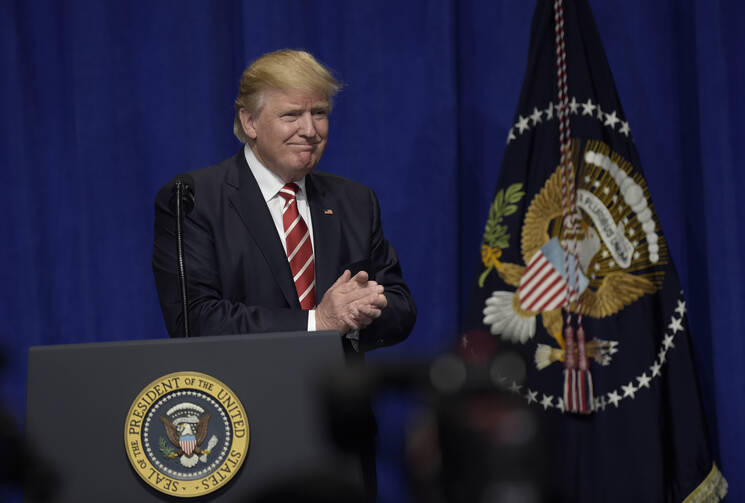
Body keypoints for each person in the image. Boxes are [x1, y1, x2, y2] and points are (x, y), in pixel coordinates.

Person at [152, 49, 417, 497]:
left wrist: (368, 309)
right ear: (250, 122)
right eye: (292, 114)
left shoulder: (355, 201)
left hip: (340, 441)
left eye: (320, 113)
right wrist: (320, 322)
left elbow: (402, 309)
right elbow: (194, 320)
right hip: (238, 434)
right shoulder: (194, 198)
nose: (310, 130)